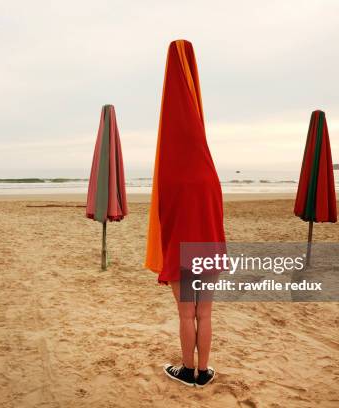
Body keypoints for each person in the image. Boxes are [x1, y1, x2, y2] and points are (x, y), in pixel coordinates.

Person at [145, 40, 225, 388]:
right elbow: (217, 220)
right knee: (204, 313)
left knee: (184, 314)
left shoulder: (170, 173)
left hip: (180, 250)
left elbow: (164, 218)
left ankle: (185, 370)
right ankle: (203, 373)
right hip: (208, 249)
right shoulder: (210, 174)